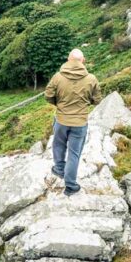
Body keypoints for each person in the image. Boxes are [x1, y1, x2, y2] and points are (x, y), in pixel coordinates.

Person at [44, 48, 101, 196]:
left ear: (69, 59)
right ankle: (70, 186)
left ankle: (59, 169)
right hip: (80, 122)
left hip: (61, 119)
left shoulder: (57, 77)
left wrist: (59, 104)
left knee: (58, 145)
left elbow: (48, 96)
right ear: (83, 61)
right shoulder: (92, 79)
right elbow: (97, 100)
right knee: (74, 154)